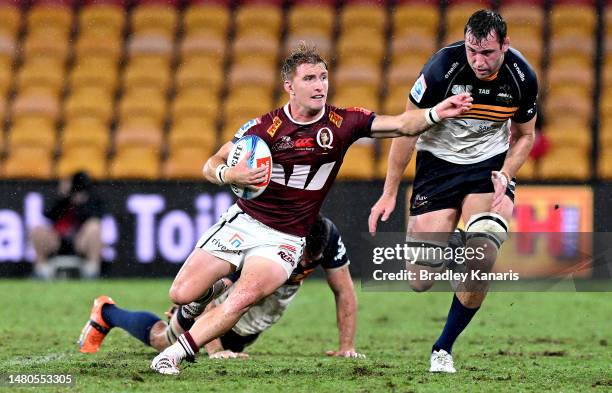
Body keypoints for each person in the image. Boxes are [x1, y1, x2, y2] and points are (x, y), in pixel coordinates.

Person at [146, 42, 471, 375]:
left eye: (323, 77)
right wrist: (230, 173)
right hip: (244, 222)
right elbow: (210, 163)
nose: (320, 86)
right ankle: (206, 295)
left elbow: (401, 124)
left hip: (285, 240)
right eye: (310, 79)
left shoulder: (343, 123)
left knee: (242, 298)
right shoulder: (265, 129)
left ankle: (171, 355)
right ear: (290, 86)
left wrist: (435, 113)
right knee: (182, 293)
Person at [368, 10, 538, 373]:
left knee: (484, 251)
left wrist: (507, 173)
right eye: (472, 50)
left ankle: (442, 348)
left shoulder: (523, 78)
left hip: (487, 168)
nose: (478, 60)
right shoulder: (442, 68)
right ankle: (458, 244)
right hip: (437, 167)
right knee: (419, 279)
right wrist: (389, 191)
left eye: (488, 52)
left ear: (505, 45)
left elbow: (526, 136)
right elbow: (407, 128)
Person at [78, 215, 365, 359]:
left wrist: (346, 346)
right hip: (215, 306)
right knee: (163, 341)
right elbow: (215, 290)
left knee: (228, 334)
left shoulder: (326, 238)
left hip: (248, 323)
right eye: (300, 257)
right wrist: (213, 349)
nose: (302, 264)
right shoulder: (265, 245)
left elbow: (344, 290)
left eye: (308, 261)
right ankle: (107, 312)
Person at [30, 171, 104, 280]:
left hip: (80, 240)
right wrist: (62, 197)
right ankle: (41, 269)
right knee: (38, 229)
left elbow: (97, 216)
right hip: (58, 240)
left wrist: (81, 202)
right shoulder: (61, 197)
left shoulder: (92, 198)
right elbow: (48, 214)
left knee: (94, 226)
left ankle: (92, 270)